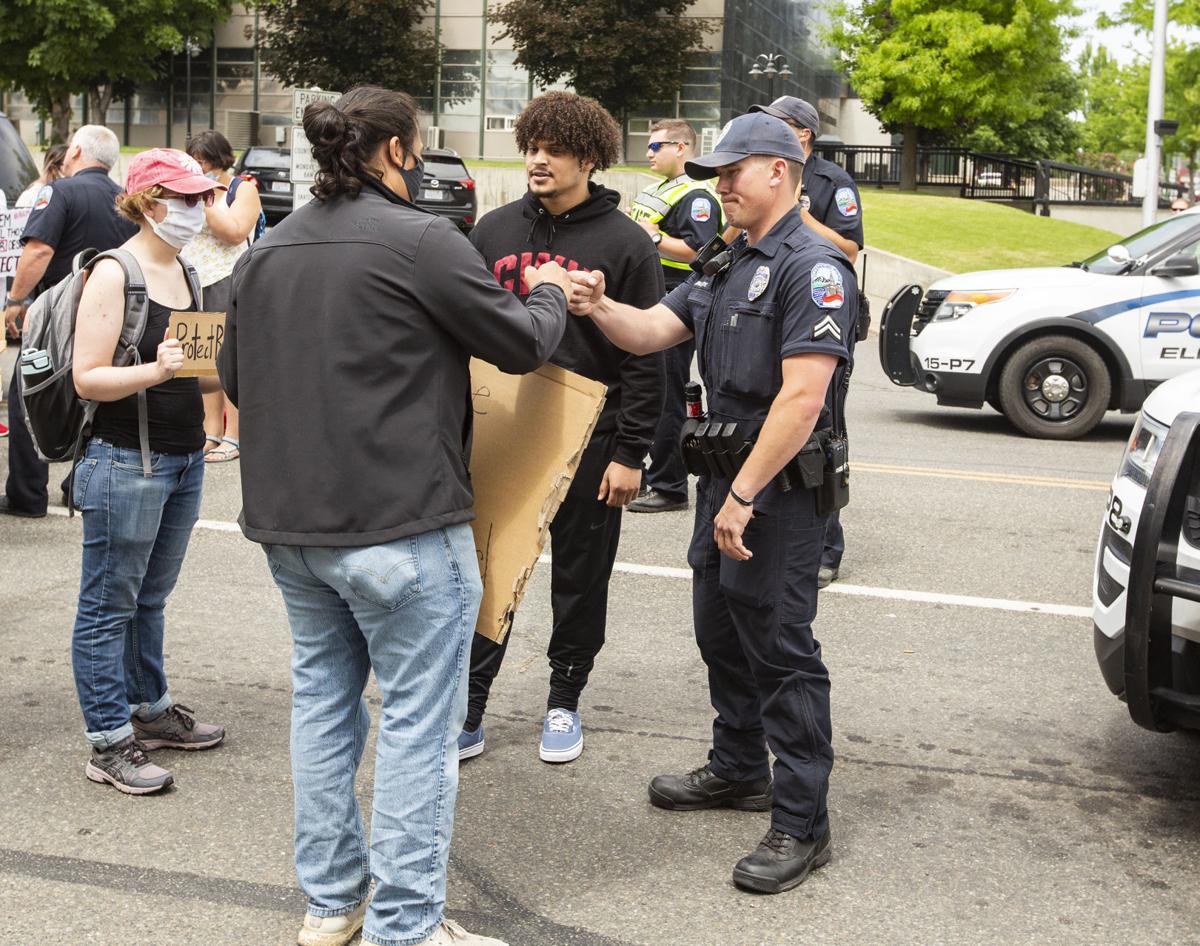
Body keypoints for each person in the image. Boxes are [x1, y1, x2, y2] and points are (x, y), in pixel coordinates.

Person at [218, 86, 571, 946]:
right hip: (402, 524)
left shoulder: (270, 250)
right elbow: (521, 341)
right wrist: (552, 291)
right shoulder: (422, 239)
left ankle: (332, 902)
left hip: (294, 528)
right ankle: (405, 926)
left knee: (323, 706)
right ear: (396, 151)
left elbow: (235, 380)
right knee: (418, 729)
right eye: (417, 145)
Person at [568, 111, 858, 894]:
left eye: (734, 171)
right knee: (720, 631)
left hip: (776, 493)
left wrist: (744, 494)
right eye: (716, 173)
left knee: (781, 649)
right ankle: (739, 767)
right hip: (724, 484)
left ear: (780, 171)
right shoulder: (728, 259)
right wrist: (597, 305)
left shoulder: (812, 268)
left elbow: (802, 401)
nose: (721, 185)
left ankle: (803, 822)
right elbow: (649, 331)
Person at [460, 91, 664, 765]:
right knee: (487, 572)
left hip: (591, 438)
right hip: (501, 429)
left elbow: (647, 354)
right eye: (532, 147)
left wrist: (631, 451)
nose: (538, 160)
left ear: (589, 158)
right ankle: (471, 706)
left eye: (555, 150)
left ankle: (564, 700)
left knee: (581, 579)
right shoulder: (492, 232)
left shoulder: (626, 244)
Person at [70, 148, 228, 794]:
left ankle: (150, 708)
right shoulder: (115, 273)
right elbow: (88, 378)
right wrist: (156, 371)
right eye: (186, 199)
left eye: (202, 198)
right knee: (108, 607)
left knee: (148, 599)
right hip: (124, 462)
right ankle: (109, 741)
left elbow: (202, 374)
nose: (198, 209)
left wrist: (246, 368)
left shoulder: (188, 271)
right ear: (149, 202)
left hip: (184, 458)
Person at [750, 96, 863, 588]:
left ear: (803, 134)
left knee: (820, 431)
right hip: (768, 312)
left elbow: (850, 249)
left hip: (820, 319)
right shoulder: (762, 173)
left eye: (777, 124)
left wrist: (798, 216)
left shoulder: (832, 183)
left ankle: (826, 548)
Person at [2, 125, 137, 518]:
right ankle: (78, 488)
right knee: (91, 404)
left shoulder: (60, 192)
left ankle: (27, 495)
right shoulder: (125, 199)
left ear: (75, 150)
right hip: (108, 317)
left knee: (29, 395)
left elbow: (39, 251)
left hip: (56, 317)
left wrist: (15, 300)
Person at [627, 119, 725, 514]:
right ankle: (644, 474)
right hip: (649, 294)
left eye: (656, 146)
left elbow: (702, 252)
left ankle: (669, 485)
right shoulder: (660, 189)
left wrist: (653, 237)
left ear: (681, 147)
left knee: (666, 391)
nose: (648, 153)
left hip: (676, 296)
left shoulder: (697, 196)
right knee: (643, 387)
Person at [183, 130, 263, 464]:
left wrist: (207, 201)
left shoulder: (240, 189)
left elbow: (235, 232)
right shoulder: (189, 187)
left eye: (204, 161)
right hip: (193, 279)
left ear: (220, 159)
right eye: (195, 161)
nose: (200, 167)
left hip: (227, 278)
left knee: (228, 358)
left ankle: (235, 435)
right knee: (199, 359)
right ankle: (210, 431)